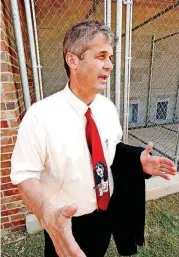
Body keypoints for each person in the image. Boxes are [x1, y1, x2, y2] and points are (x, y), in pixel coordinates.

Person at [11, 21, 177, 257]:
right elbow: (24, 174)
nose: (109, 65)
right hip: (66, 220)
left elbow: (111, 151)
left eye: (110, 57)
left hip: (105, 211)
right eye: (101, 56)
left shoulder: (107, 108)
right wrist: (48, 215)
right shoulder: (40, 117)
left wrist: (137, 161)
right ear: (73, 60)